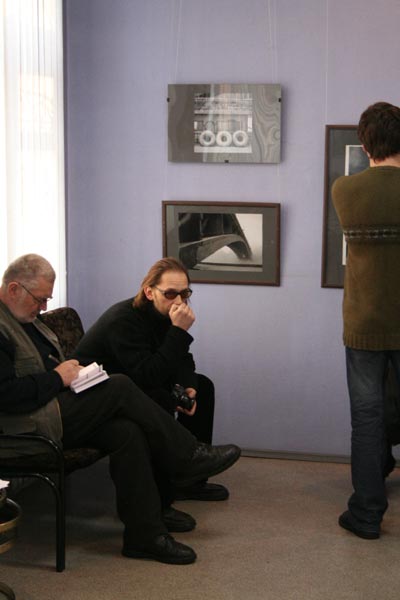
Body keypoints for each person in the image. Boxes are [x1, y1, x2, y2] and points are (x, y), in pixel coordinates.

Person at [0, 254, 241, 564]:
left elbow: (178, 359)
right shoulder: (4, 327)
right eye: (40, 299)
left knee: (126, 432)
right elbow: (5, 394)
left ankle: (144, 536)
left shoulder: (26, 320)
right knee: (120, 385)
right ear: (14, 289)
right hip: (22, 429)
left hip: (51, 410)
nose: (44, 307)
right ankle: (188, 456)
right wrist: (57, 378)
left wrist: (70, 374)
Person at [75, 257, 228, 502]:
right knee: (159, 397)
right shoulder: (124, 320)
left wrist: (188, 386)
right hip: (99, 396)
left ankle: (191, 480)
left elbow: (182, 359)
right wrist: (179, 331)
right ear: (149, 292)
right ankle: (164, 490)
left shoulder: (166, 315)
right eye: (170, 293)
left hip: (134, 381)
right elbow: (148, 375)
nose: (179, 301)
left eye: (185, 293)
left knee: (203, 387)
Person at [332, 101, 400, 539]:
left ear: (364, 145)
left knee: (367, 417)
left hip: (363, 325)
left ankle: (367, 514)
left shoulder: (345, 189)